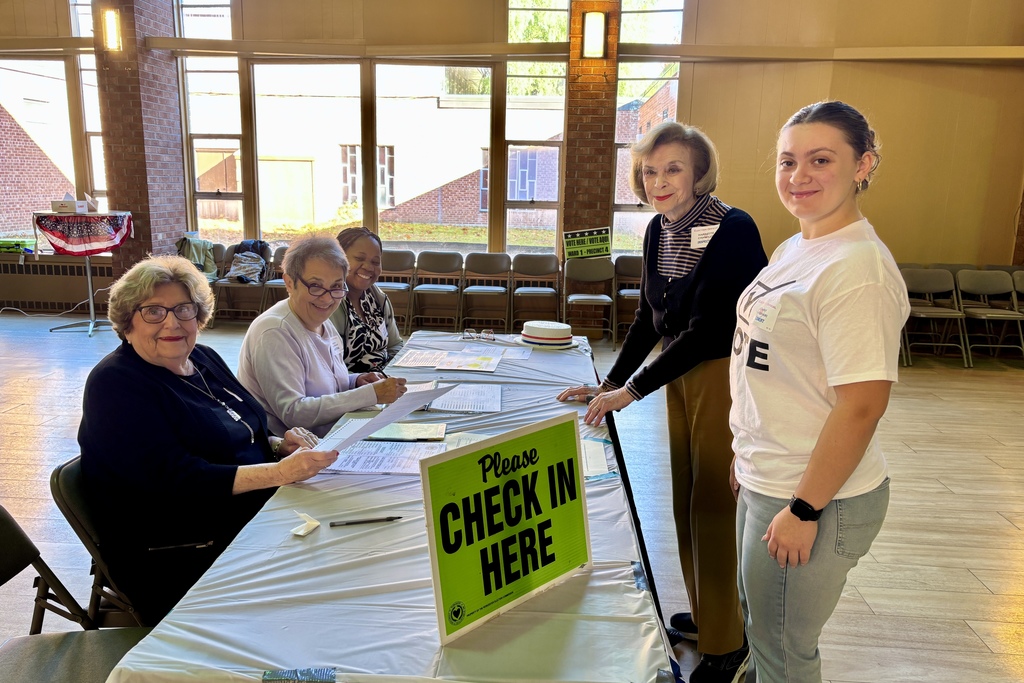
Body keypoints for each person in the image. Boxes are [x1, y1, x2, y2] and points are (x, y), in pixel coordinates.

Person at [557, 121, 767, 683]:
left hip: (724, 374)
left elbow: (709, 330)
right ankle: (707, 614)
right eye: (649, 171)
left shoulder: (734, 228)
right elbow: (652, 321)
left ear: (700, 173)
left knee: (715, 508)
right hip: (681, 373)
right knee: (685, 501)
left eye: (673, 169)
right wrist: (609, 382)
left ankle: (729, 643)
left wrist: (631, 391)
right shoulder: (659, 228)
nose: (658, 181)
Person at [730, 101, 909, 682]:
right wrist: (746, 454)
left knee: (783, 651)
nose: (798, 175)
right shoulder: (797, 247)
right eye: (787, 161)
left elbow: (862, 406)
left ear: (863, 165)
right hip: (769, 473)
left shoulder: (857, 270)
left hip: (813, 495)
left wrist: (804, 508)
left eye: (820, 160)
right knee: (762, 633)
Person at [78, 255, 339, 625]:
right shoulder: (116, 384)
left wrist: (278, 444)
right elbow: (177, 479)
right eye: (153, 311)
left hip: (245, 520)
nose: (172, 322)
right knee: (328, 579)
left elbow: (241, 425)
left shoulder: (202, 358)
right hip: (177, 550)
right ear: (127, 321)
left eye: (183, 309)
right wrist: (280, 473)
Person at [238, 236, 406, 438]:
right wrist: (370, 394)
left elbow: (325, 386)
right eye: (315, 286)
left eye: (336, 287)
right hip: (295, 449)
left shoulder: (322, 321)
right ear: (289, 283)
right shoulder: (274, 332)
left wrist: (356, 381)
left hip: (333, 434)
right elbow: (294, 413)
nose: (327, 298)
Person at [329, 227, 404, 373]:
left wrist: (389, 374)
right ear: (338, 259)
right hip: (347, 384)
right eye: (359, 259)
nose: (369, 267)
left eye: (375, 262)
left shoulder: (378, 298)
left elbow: (395, 345)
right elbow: (326, 368)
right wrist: (362, 382)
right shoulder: (328, 304)